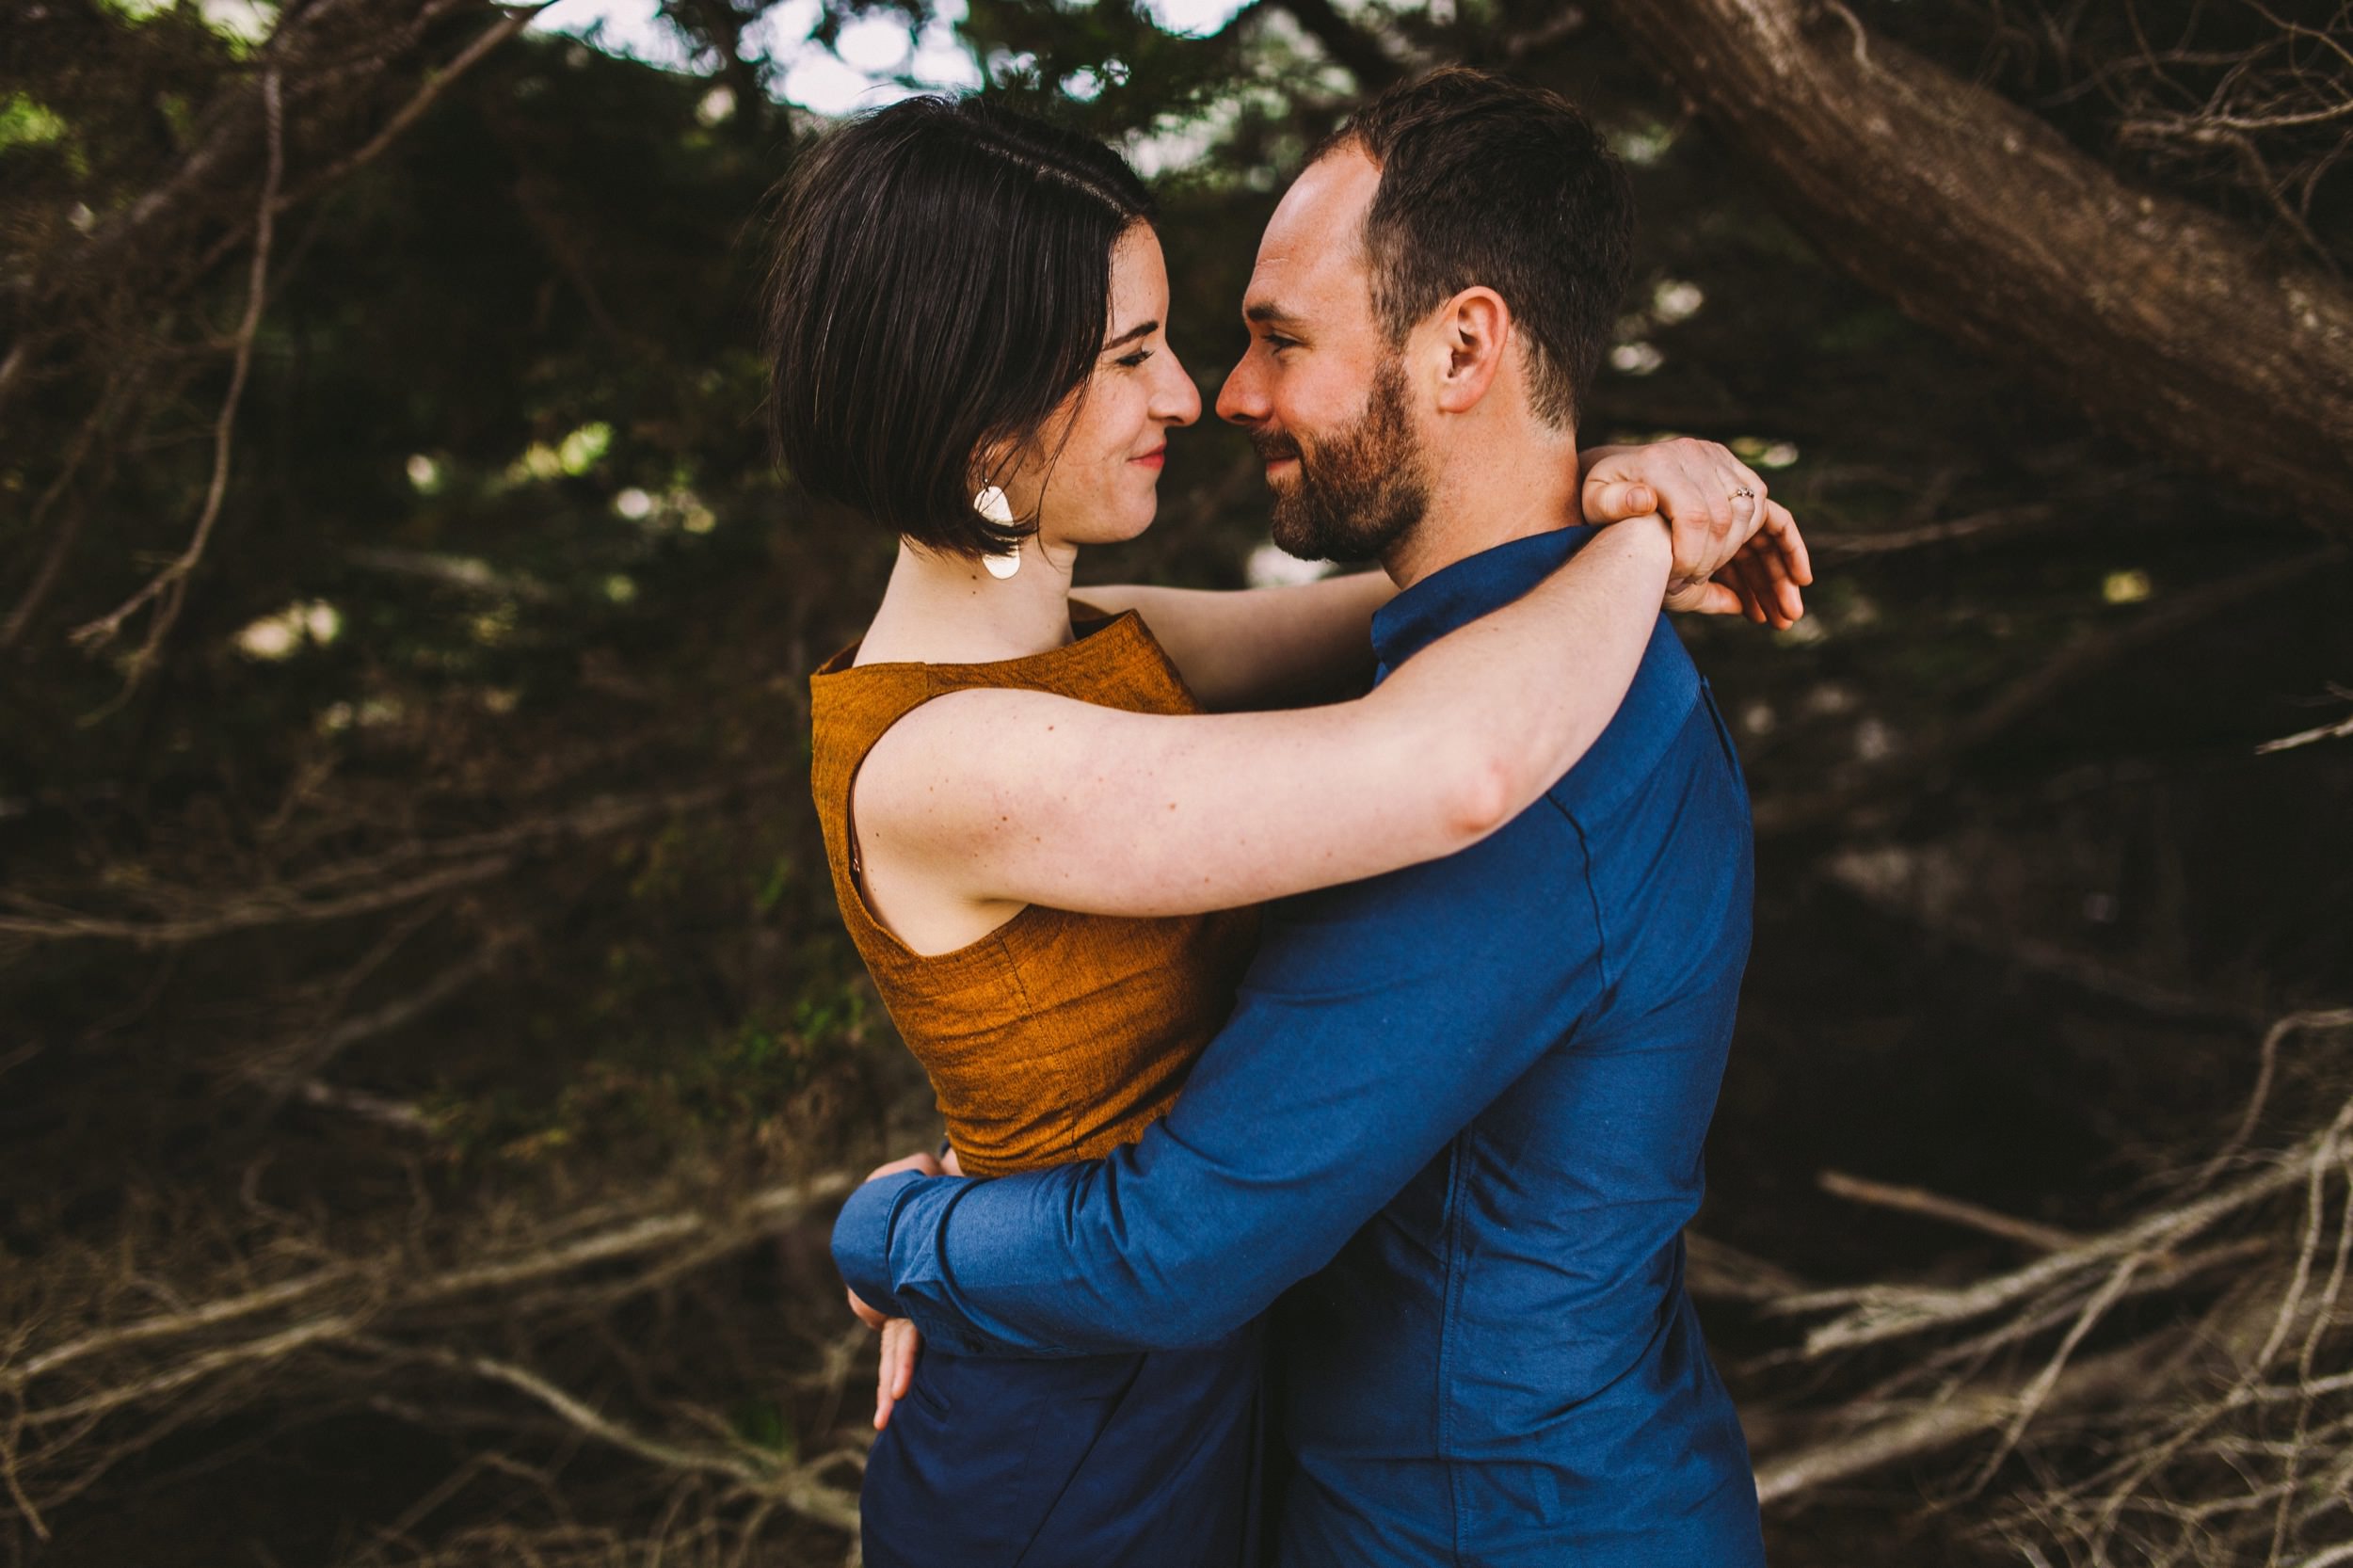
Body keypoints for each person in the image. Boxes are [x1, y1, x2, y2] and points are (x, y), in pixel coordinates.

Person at [828, 70, 1792, 1567]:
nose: (1211, 393)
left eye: (1273, 340)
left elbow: (1429, 686)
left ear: (1466, 344)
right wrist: (1645, 530)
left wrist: (909, 1239)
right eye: (1138, 351)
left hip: (1461, 1521)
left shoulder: (1498, 739)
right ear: (987, 413)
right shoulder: (990, 733)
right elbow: (1429, 751)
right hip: (1125, 1454)